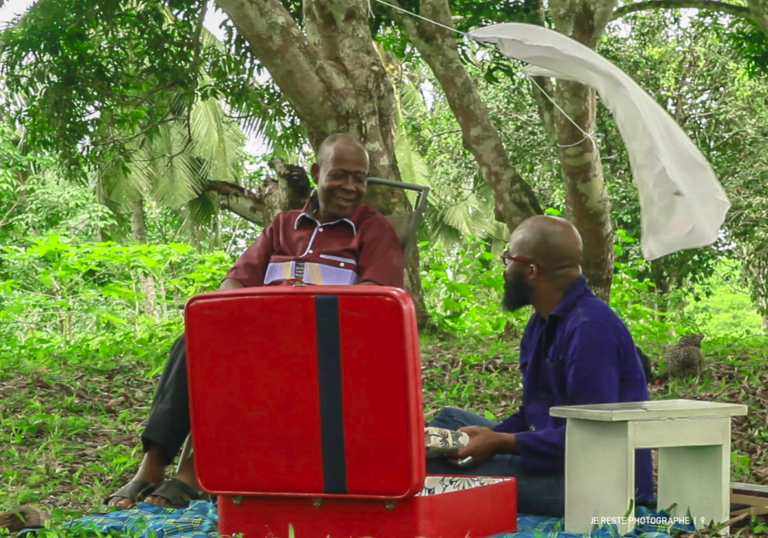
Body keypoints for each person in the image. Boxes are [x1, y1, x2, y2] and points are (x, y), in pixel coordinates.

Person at [106, 133, 405, 508]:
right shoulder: (283, 226)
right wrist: (233, 315)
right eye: (339, 175)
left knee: (262, 360)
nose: (351, 187)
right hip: (259, 332)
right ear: (317, 172)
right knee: (195, 339)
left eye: (359, 178)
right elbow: (235, 279)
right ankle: (152, 465)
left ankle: (197, 472)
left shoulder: (373, 230)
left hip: (326, 347)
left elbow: (375, 304)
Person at [427, 215, 653, 517]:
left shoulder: (591, 329)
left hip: (599, 484)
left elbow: (595, 440)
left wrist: (499, 443)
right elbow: (534, 414)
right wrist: (484, 438)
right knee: (449, 421)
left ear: (531, 271)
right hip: (557, 457)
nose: (505, 268)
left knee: (433, 466)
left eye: (508, 259)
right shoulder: (541, 322)